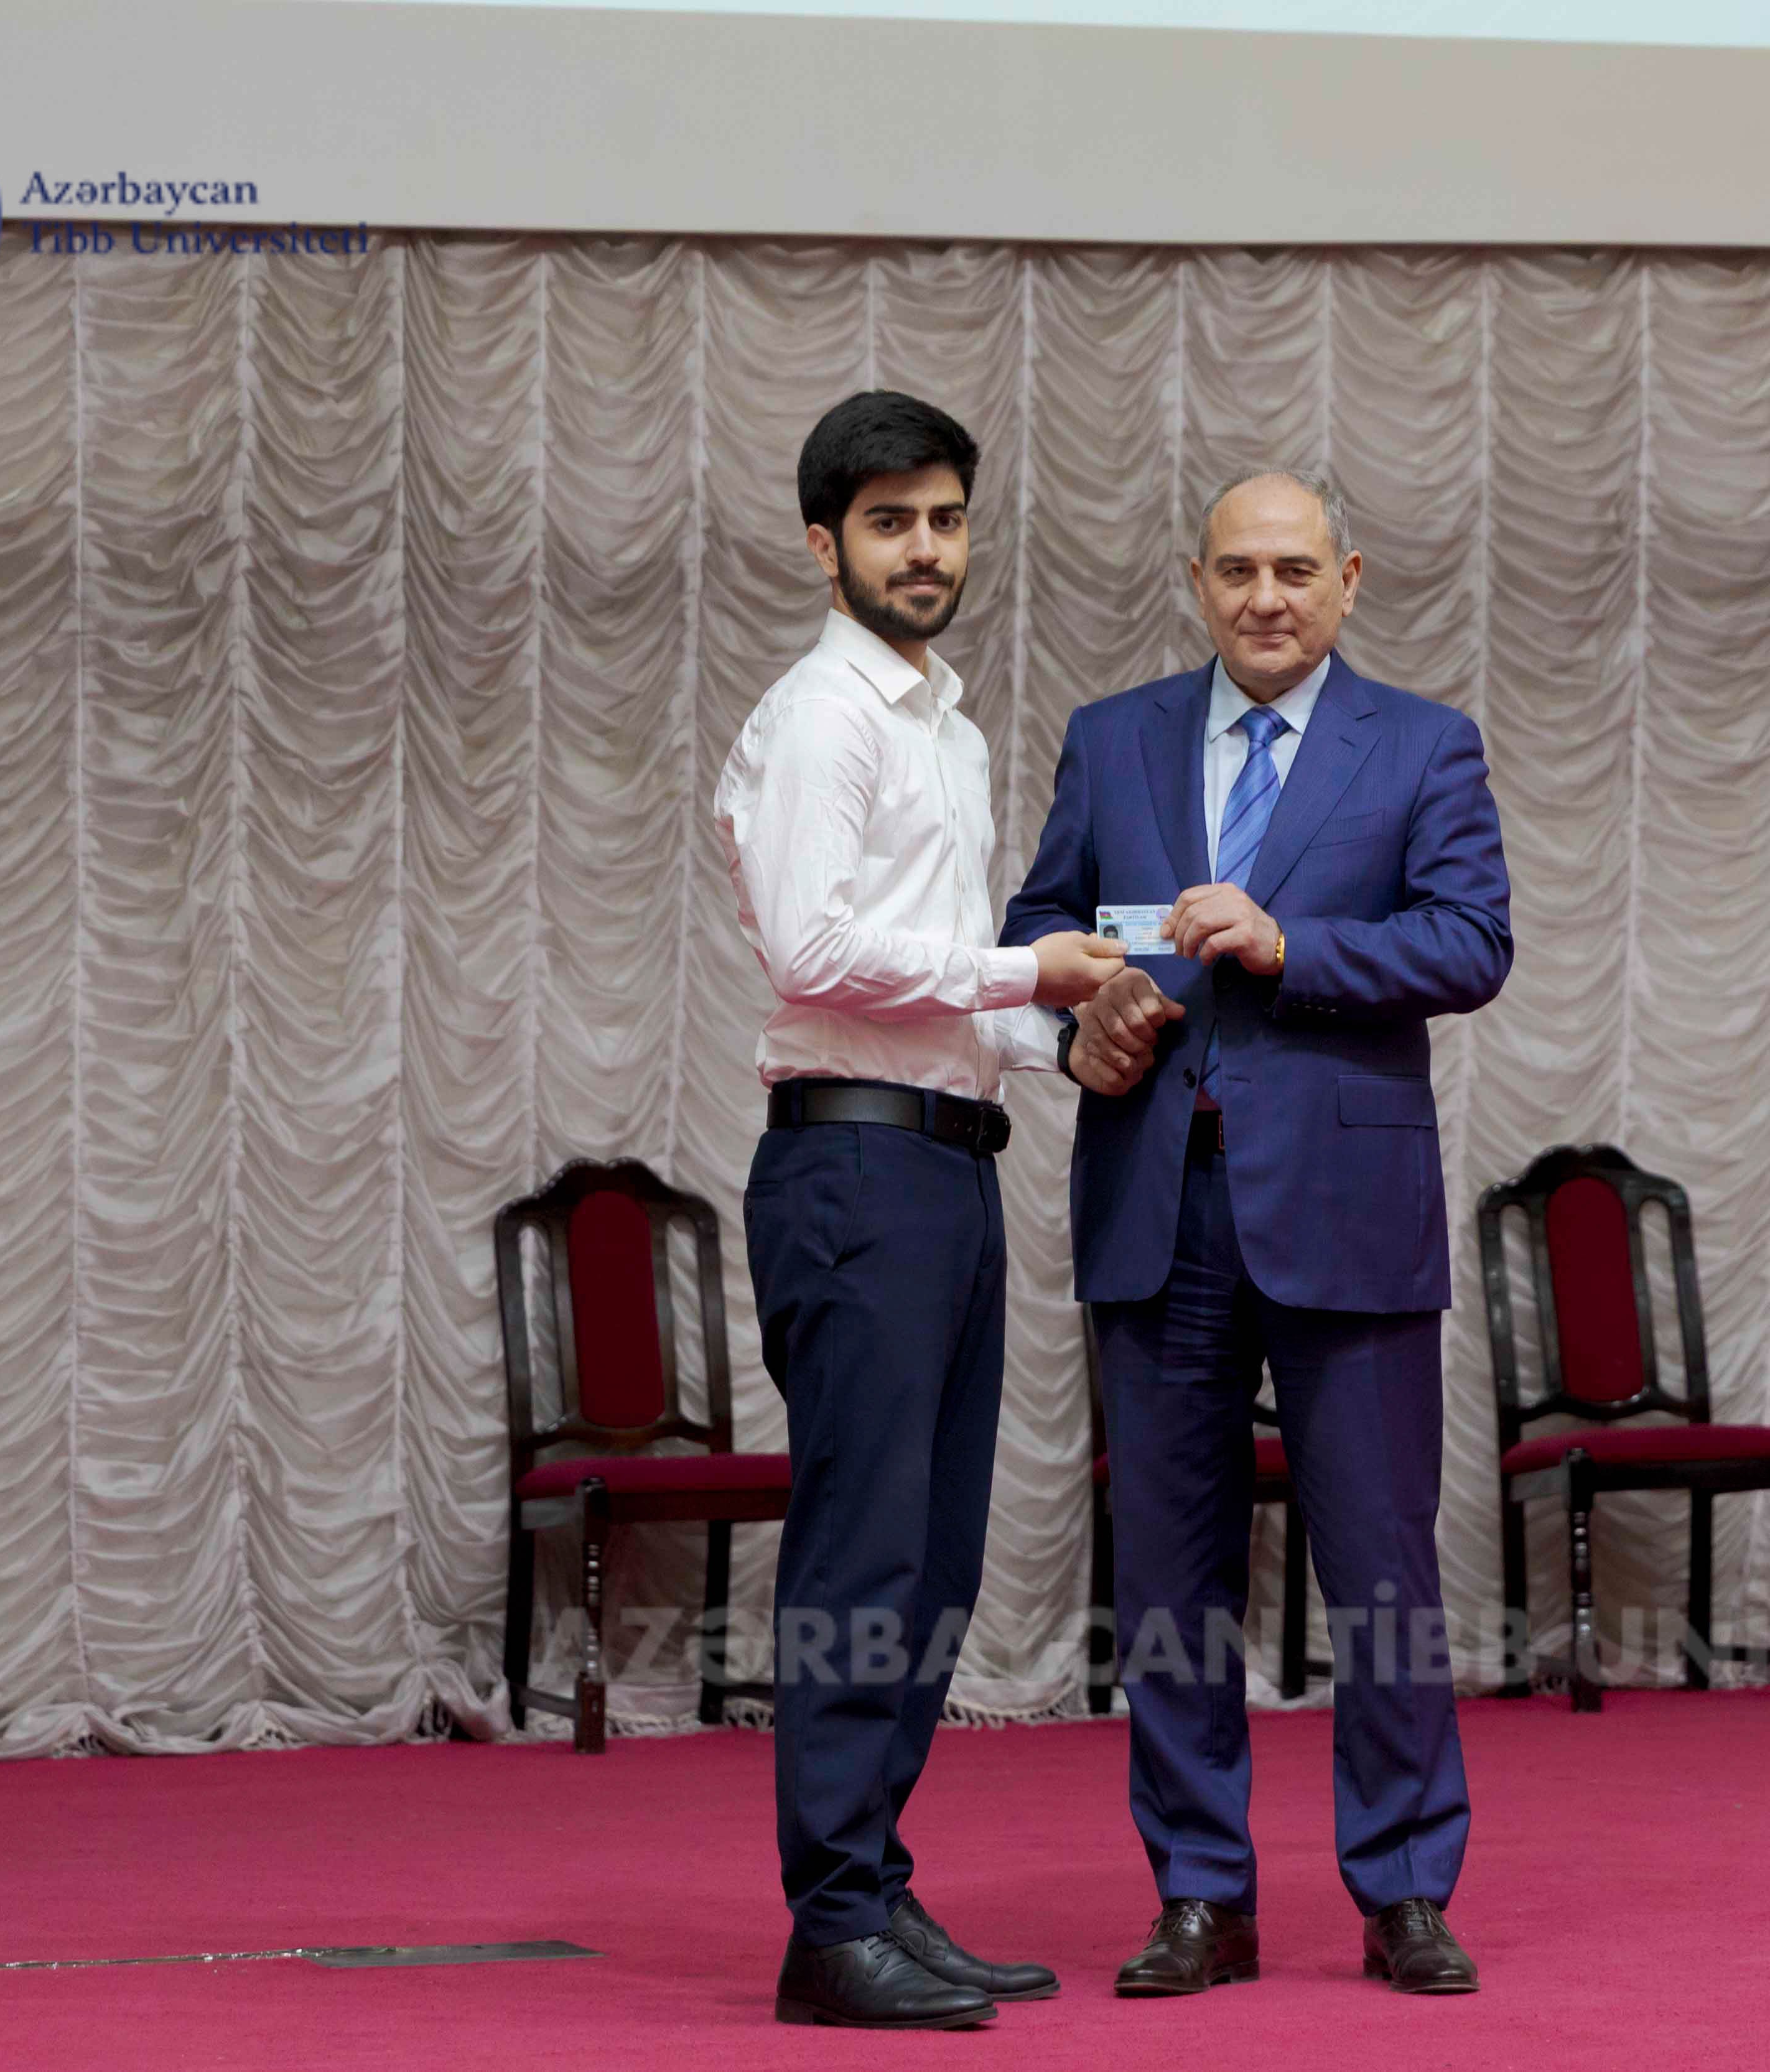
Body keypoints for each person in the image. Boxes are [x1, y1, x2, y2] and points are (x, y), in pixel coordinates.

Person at [1003, 470, 1514, 1997]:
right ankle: (1199, 1895)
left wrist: (1293, 943)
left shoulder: (1421, 744)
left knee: (1381, 1569)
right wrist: (1078, 1024)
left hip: (1345, 1212)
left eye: (1294, 570)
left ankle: (1403, 1888)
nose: (1265, 598)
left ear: (1346, 581)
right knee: (1169, 1581)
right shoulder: (1113, 738)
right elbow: (1035, 935)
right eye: (1237, 570)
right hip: (1155, 1207)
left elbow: (1471, 942)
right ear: (1197, 580)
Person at [715, 390, 1125, 2030]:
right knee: (862, 1548)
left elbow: (940, 996)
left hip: (946, 1162)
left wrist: (1065, 1035)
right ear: (823, 546)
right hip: (853, 1174)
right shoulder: (826, 715)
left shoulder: (943, 726)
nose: (925, 549)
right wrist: (1028, 969)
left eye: (945, 518)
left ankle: (873, 1887)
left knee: (934, 1555)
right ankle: (828, 1924)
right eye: (889, 523)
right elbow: (812, 951)